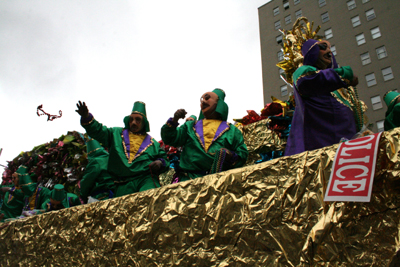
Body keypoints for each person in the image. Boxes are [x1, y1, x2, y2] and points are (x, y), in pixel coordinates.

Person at [284, 39, 365, 156]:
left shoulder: (339, 89)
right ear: (311, 52)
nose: (328, 51)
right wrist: (345, 75)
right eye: (323, 47)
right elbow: (305, 80)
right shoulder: (304, 72)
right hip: (320, 153)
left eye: (329, 48)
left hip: (348, 152)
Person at [76, 101, 170, 197]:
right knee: (123, 210)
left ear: (144, 123)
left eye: (138, 120)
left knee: (149, 198)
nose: (133, 122)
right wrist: (86, 117)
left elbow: (164, 160)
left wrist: (160, 162)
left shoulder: (153, 143)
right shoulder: (115, 134)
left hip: (145, 179)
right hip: (122, 183)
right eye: (131, 119)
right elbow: (99, 131)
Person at [161, 88, 248, 181]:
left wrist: (230, 155)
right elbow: (170, 138)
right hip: (187, 182)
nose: (203, 101)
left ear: (219, 103)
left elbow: (242, 155)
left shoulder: (232, 131)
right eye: (202, 99)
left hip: (218, 183)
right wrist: (174, 120)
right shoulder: (190, 126)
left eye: (207, 98)